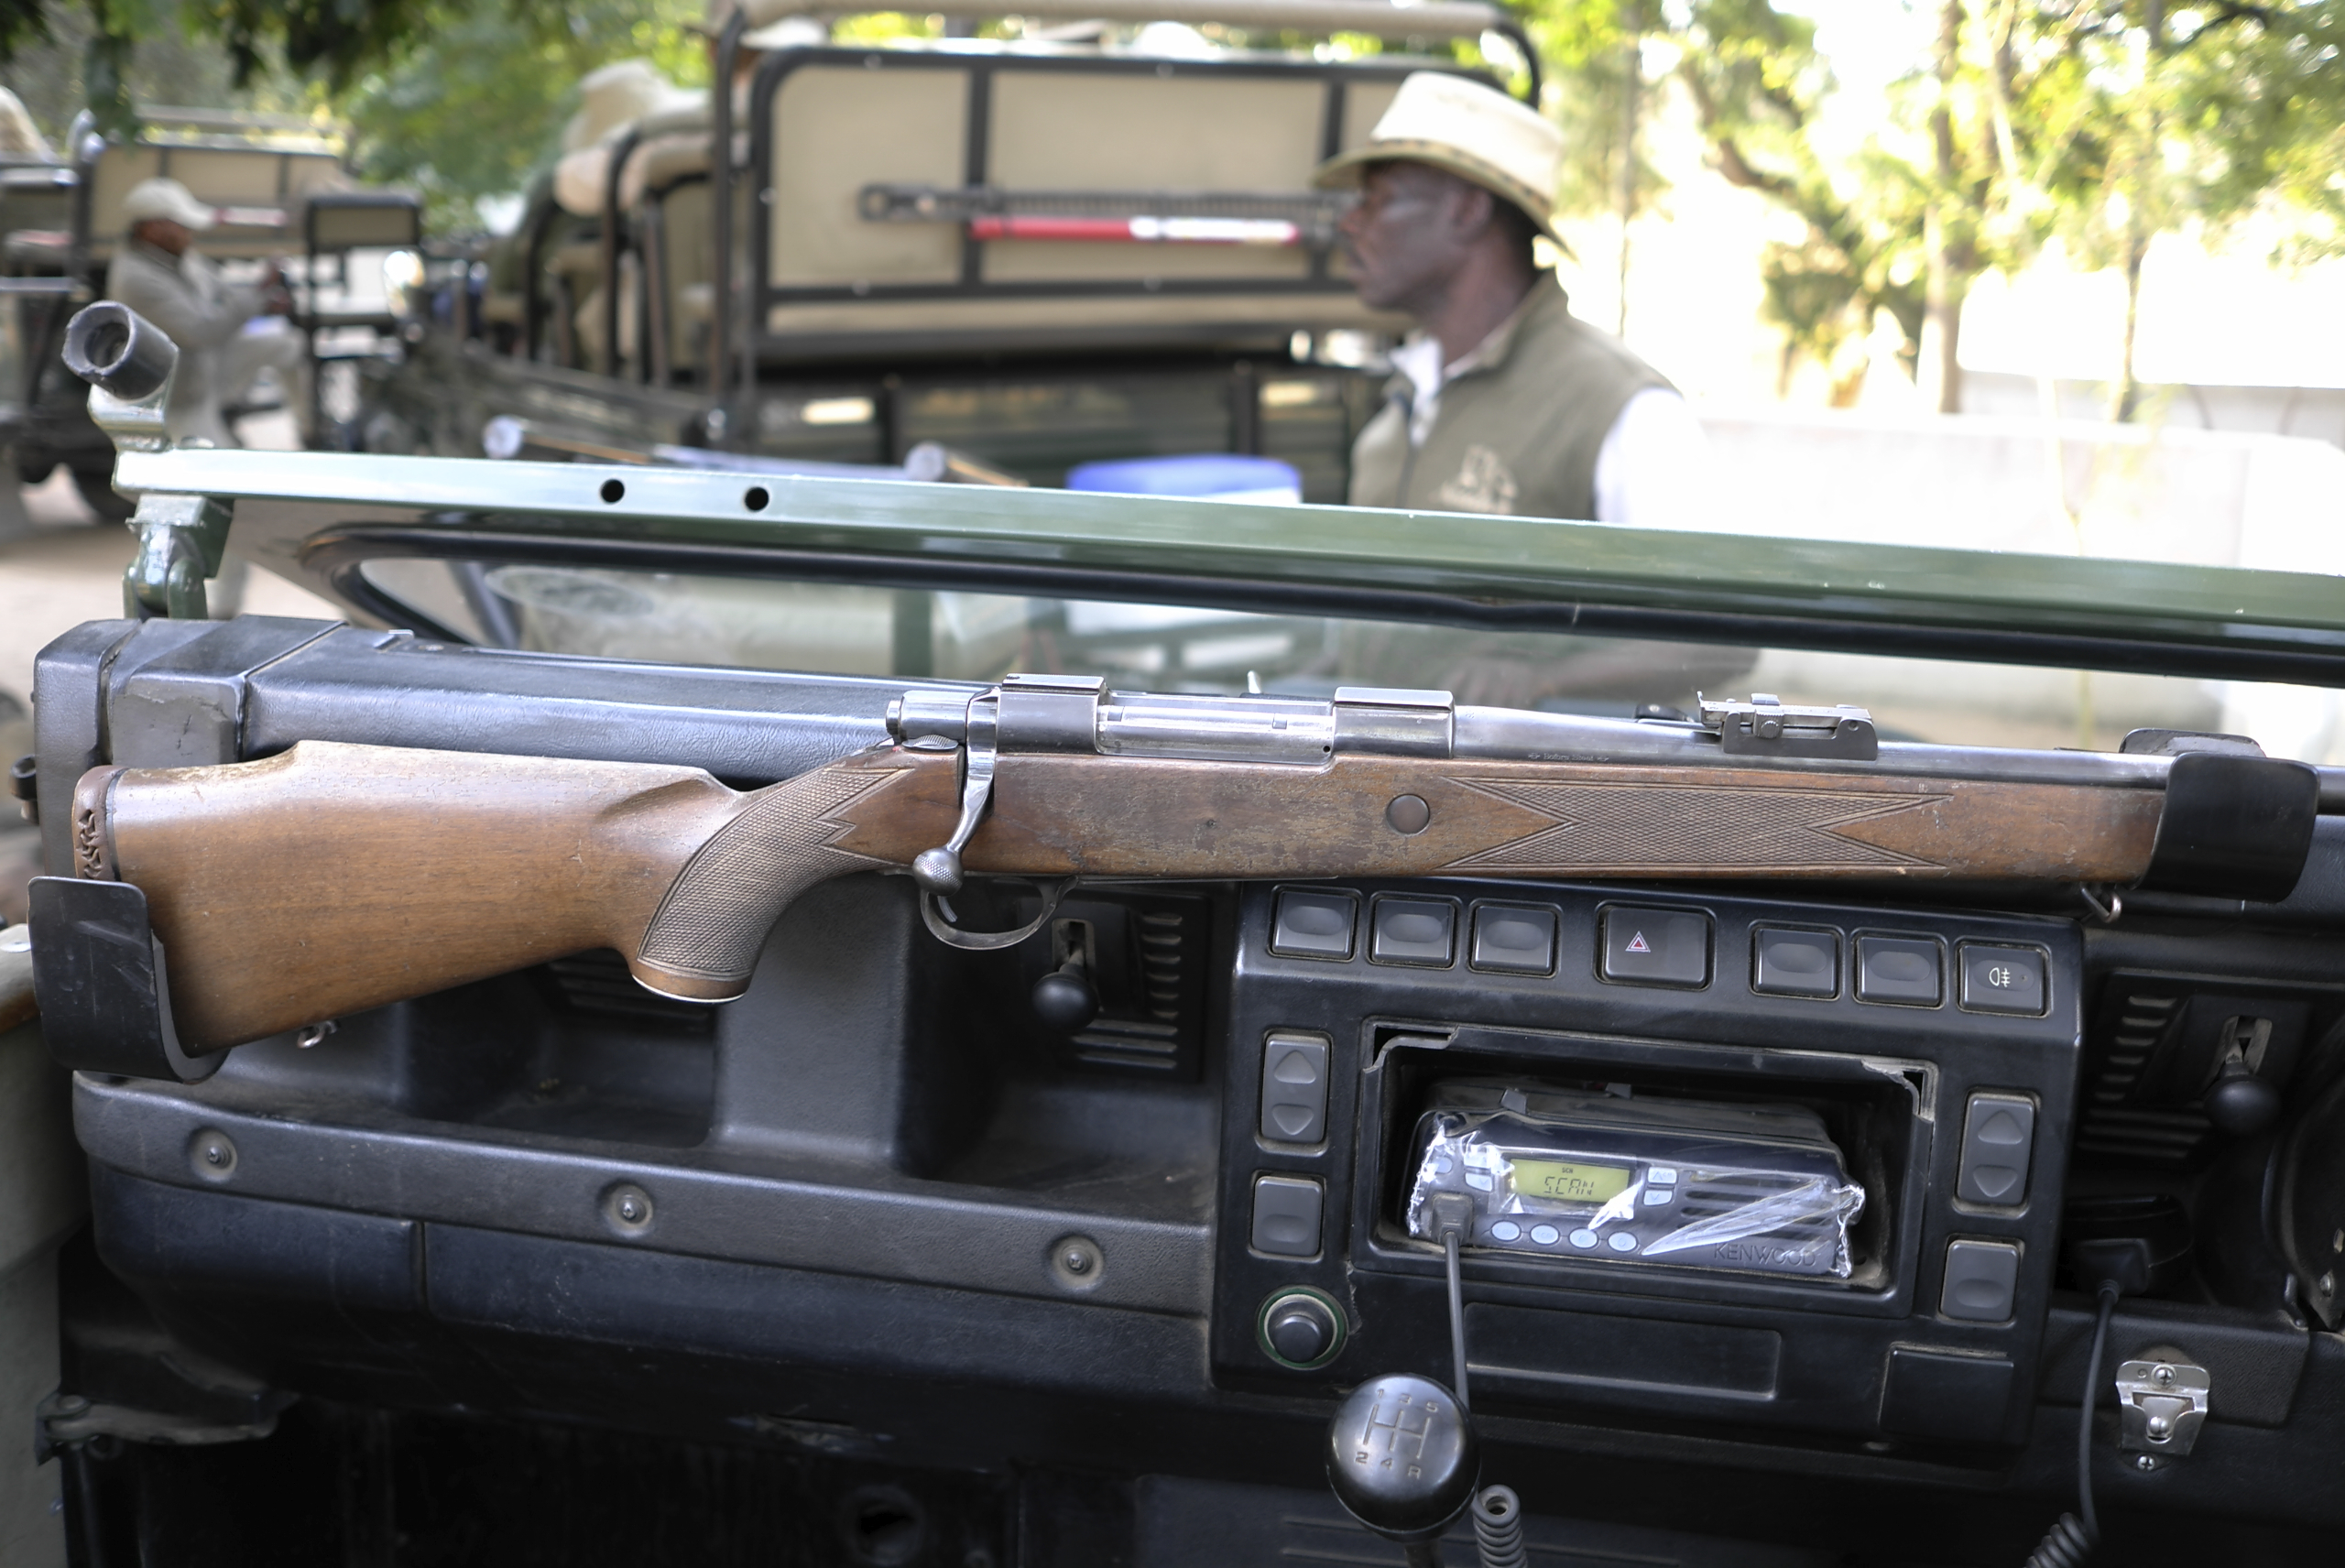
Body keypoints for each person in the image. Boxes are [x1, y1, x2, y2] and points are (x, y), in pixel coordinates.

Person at [1315, 71, 1709, 526]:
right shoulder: (1406, 401)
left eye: (1379, 199)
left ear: (1468, 211)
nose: (1349, 222)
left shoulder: (1625, 413)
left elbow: (1686, 574)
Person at [105, 177, 308, 448]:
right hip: (179, 398)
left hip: (205, 369)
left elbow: (222, 289)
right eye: (182, 226)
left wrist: (261, 288)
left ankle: (311, 429)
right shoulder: (134, 277)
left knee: (289, 344)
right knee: (223, 468)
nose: (190, 233)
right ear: (152, 229)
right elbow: (201, 330)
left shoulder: (178, 257)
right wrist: (258, 299)